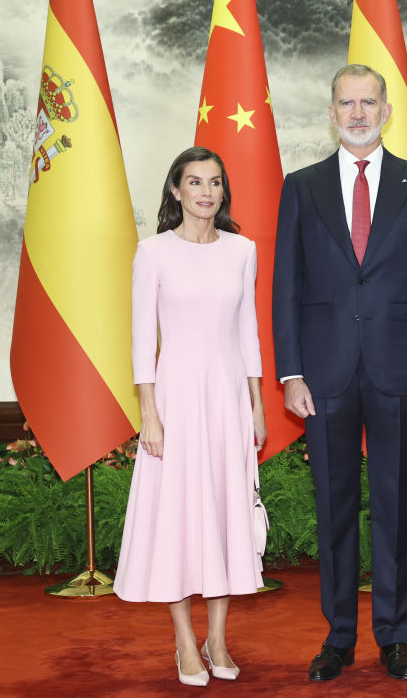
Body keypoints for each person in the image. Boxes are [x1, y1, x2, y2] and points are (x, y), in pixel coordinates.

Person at [272, 64, 407, 682]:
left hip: (402, 372)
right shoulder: (301, 186)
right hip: (322, 375)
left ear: (385, 111)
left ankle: (395, 637)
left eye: (367, 102)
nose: (357, 113)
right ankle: (339, 637)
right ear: (331, 112)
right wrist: (290, 372)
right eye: (346, 102)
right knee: (335, 506)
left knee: (394, 507)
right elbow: (286, 291)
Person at [114, 147, 267, 687]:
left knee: (224, 516)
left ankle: (218, 639)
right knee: (178, 518)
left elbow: (247, 333)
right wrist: (149, 414)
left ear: (224, 191)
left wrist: (256, 404)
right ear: (175, 191)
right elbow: (140, 343)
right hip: (175, 400)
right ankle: (184, 643)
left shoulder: (242, 250)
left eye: (216, 183)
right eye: (195, 182)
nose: (206, 192)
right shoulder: (153, 252)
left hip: (226, 399)